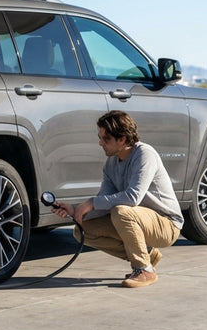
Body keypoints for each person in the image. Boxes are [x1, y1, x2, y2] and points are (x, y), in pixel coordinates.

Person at [51, 110, 183, 288]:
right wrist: (75, 209)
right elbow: (103, 203)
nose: (100, 143)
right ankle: (147, 255)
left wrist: (92, 202)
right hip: (138, 221)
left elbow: (133, 197)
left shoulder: (145, 155)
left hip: (166, 224)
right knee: (82, 230)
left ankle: (144, 270)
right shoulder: (111, 164)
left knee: (121, 211)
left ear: (122, 139)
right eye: (100, 138)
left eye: (106, 139)